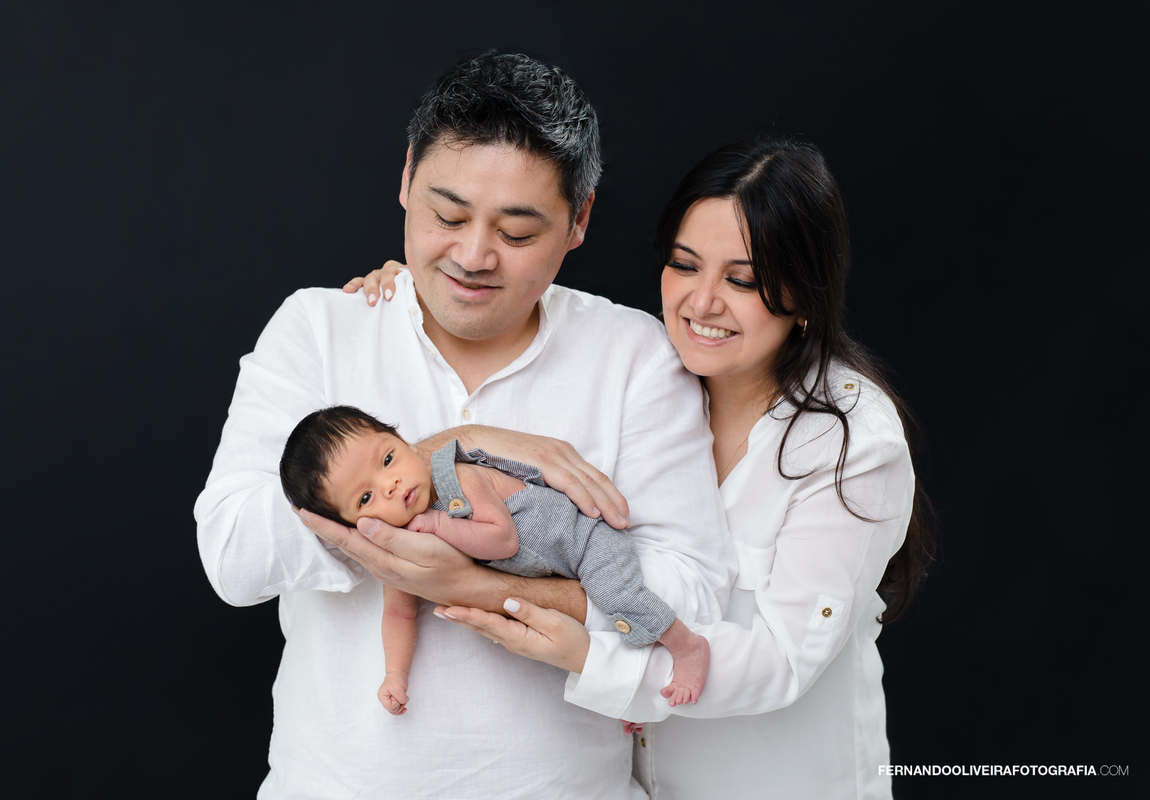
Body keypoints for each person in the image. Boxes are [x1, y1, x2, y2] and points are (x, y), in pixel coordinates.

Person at [194, 51, 734, 799]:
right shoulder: (321, 327)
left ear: (579, 220)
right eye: (447, 216)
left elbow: (698, 590)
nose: (473, 256)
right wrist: (451, 450)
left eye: (516, 233)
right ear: (407, 176)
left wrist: (476, 586)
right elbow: (232, 553)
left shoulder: (633, 354)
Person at [350, 137, 933, 799]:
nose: (702, 302)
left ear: (804, 295)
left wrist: (585, 653)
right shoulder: (647, 377)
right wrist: (407, 296)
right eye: (685, 266)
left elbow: (782, 660)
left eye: (741, 280)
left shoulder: (852, 442)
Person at [278, 406, 711, 715]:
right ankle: (635, 693)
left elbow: (501, 539)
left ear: (404, 440)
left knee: (615, 594)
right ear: (354, 526)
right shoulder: (401, 553)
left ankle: (687, 646)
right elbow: (398, 614)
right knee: (552, 632)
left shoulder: (457, 476)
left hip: (583, 538)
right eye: (366, 497)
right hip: (551, 570)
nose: (390, 485)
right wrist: (395, 675)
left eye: (388, 458)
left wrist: (439, 526)